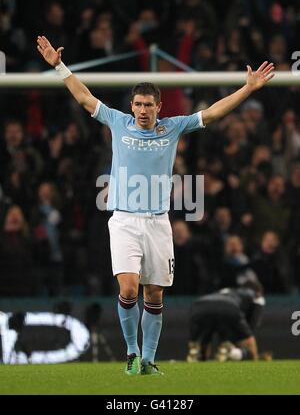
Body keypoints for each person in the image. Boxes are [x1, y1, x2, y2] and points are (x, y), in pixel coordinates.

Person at [36, 35, 274, 375]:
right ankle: (132, 354)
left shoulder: (173, 128)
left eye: (149, 105)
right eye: (139, 105)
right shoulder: (118, 122)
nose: (144, 111)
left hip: (158, 223)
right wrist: (59, 66)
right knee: (129, 286)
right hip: (124, 220)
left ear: (159, 107)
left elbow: (213, 112)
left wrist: (247, 89)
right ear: (131, 106)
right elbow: (84, 97)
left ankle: (148, 361)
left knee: (155, 296)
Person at [187, 278, 266, 362]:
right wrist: (254, 355)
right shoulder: (257, 295)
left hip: (198, 306)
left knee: (201, 341)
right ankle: (230, 352)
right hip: (228, 306)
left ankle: (197, 353)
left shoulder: (225, 290)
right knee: (251, 352)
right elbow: (251, 329)